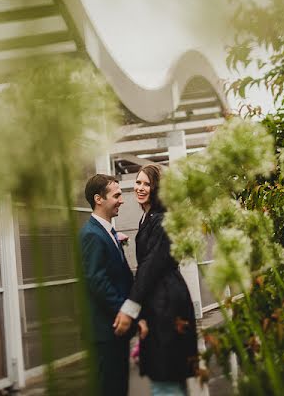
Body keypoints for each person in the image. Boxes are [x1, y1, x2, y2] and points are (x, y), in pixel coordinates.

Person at [114, 164, 198, 396]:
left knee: (165, 379)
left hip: (166, 304)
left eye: (147, 184)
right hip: (164, 299)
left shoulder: (161, 220)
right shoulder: (150, 217)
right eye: (138, 182)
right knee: (172, 377)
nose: (140, 188)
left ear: (158, 188)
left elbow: (150, 268)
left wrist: (129, 309)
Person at [79, 173, 146, 396]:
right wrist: (124, 311)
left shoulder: (106, 232)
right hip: (105, 331)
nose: (122, 200)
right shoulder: (92, 235)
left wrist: (115, 239)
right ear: (99, 199)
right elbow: (96, 280)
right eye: (116, 195)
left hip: (113, 331)